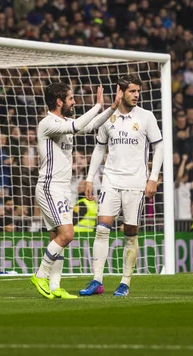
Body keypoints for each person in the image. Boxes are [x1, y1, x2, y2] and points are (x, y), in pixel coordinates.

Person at [30, 82, 121, 299]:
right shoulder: (47, 123)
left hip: (62, 189)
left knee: (57, 237)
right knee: (67, 235)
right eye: (71, 98)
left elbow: (90, 126)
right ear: (59, 101)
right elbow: (78, 126)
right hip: (49, 187)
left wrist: (112, 107)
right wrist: (98, 105)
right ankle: (40, 275)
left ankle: (55, 287)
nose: (74, 102)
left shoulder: (65, 121)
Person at [79, 75, 164, 297]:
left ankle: (125, 282)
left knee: (130, 233)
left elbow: (159, 147)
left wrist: (153, 177)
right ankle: (97, 280)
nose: (136, 95)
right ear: (120, 91)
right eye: (132, 91)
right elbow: (99, 149)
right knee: (101, 229)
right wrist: (89, 179)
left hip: (136, 183)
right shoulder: (109, 117)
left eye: (138, 91)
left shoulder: (146, 117)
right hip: (111, 180)